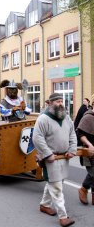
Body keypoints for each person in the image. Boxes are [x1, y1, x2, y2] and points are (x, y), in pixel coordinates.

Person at [32, 93, 77, 227]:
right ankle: (63, 217)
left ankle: (44, 205)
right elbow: (37, 138)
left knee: (56, 182)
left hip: (64, 157)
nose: (61, 104)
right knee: (57, 187)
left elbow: (72, 134)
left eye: (61, 101)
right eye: (57, 101)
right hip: (51, 158)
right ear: (50, 103)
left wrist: (72, 149)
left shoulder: (67, 118)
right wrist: (47, 154)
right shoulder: (43, 119)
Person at [76, 101, 94, 206]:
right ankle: (83, 189)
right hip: (88, 151)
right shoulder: (87, 117)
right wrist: (89, 145)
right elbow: (80, 134)